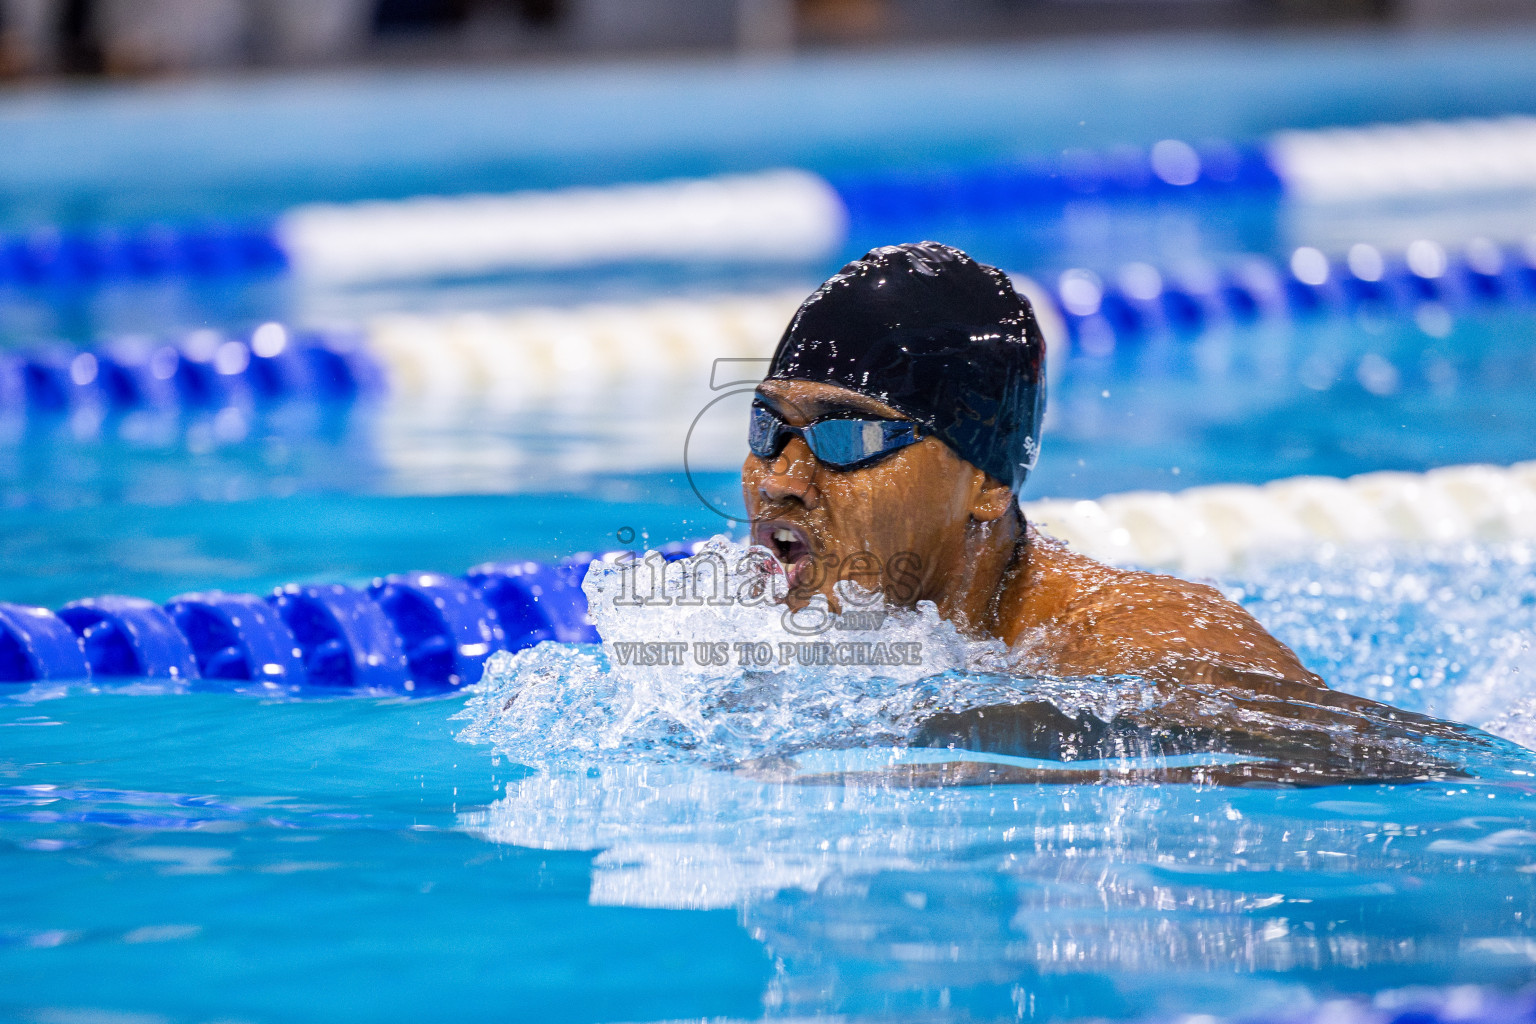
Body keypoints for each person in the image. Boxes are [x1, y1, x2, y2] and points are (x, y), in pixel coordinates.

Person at [740, 241, 1485, 786]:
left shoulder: (1136, 648)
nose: (781, 478)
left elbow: (1431, 777)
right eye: (769, 428)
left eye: (848, 436)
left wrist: (1009, 731)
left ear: (987, 485)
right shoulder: (763, 633)